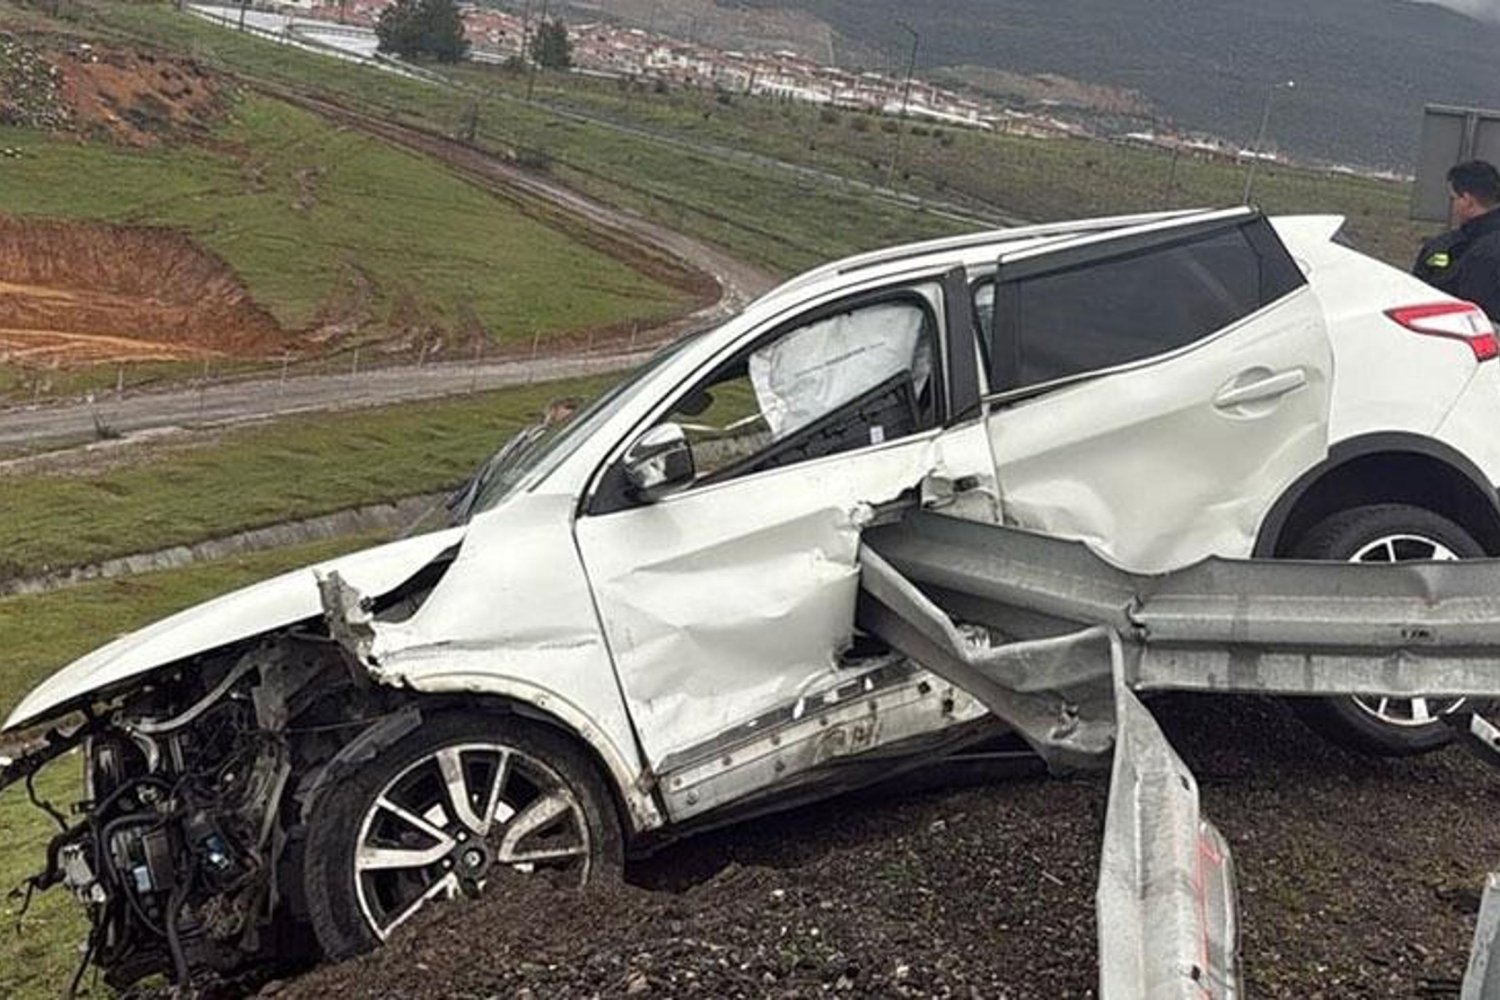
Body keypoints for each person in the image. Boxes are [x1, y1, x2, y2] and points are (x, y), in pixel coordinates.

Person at [1413, 159, 1500, 322]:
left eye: (1453, 198)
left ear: (1467, 201)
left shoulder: (1452, 248)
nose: (1452, 205)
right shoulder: (1448, 245)